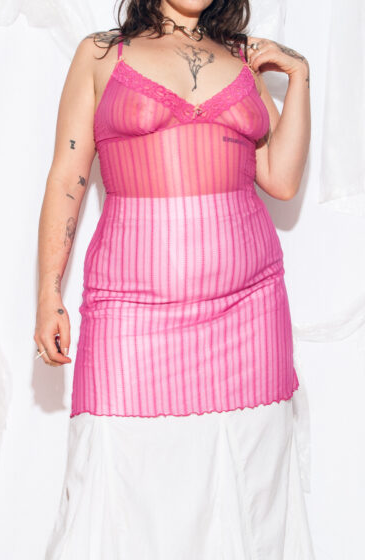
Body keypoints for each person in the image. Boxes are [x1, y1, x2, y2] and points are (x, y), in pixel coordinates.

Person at [35, 0, 314, 558]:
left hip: (248, 313)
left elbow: (281, 179)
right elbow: (68, 176)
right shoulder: (102, 55)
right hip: (131, 309)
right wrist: (48, 291)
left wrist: (299, 76)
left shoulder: (241, 59)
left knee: (249, 490)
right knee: (114, 478)